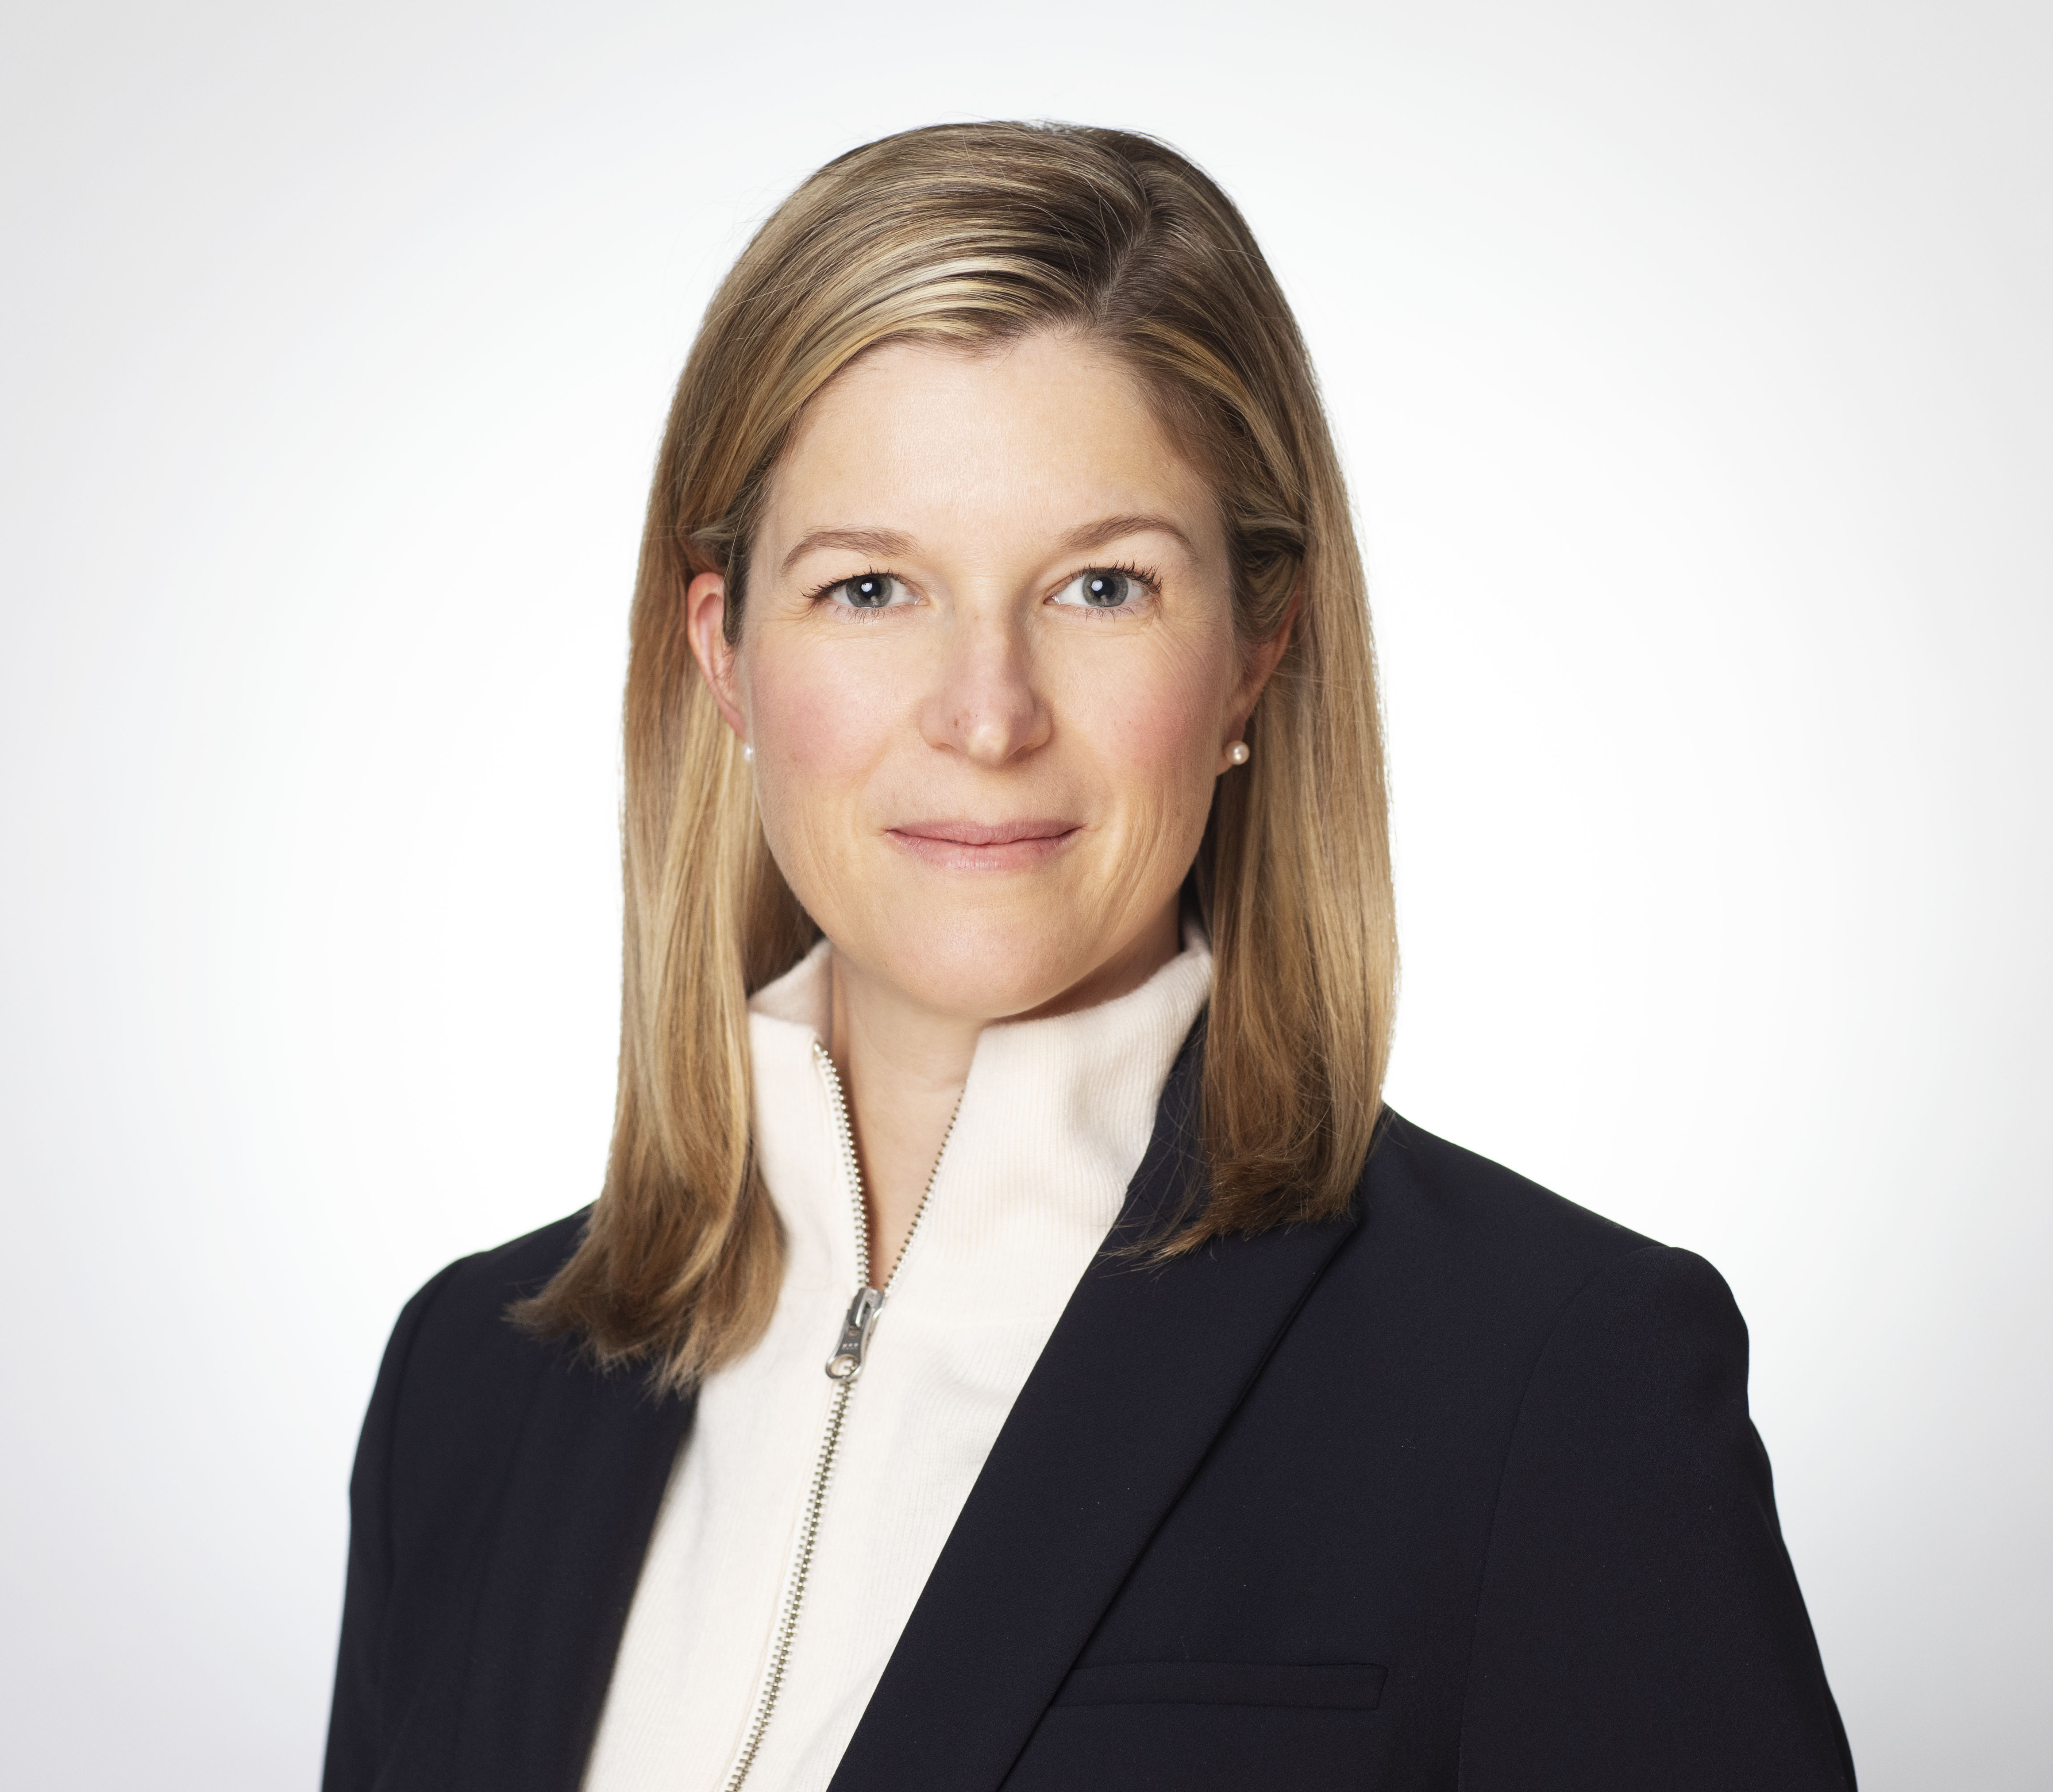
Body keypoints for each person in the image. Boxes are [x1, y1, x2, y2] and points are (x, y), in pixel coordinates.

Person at [321, 122, 1855, 1792]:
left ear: (1257, 648)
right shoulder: (470, 1387)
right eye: (871, 588)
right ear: (726, 654)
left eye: (1103, 585)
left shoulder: (1549, 1379)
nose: (987, 715)